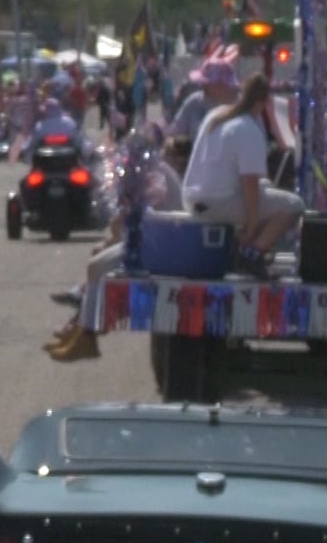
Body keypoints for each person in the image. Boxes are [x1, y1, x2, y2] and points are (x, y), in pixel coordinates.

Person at [47, 135, 192, 362]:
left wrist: (119, 226)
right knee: (98, 264)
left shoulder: (150, 176)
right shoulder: (156, 171)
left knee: (96, 267)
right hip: (164, 241)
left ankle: (86, 335)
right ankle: (81, 331)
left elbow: (127, 223)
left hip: (161, 247)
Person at [182, 74, 304, 275]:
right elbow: (249, 183)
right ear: (265, 102)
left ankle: (239, 244)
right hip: (218, 202)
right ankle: (252, 253)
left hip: (192, 197)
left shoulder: (217, 116)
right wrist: (252, 224)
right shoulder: (248, 128)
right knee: (293, 205)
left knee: (266, 189)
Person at [172, 60, 238, 141]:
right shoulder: (195, 102)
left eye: (207, 82)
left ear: (222, 85)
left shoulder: (241, 107)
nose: (203, 85)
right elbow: (176, 132)